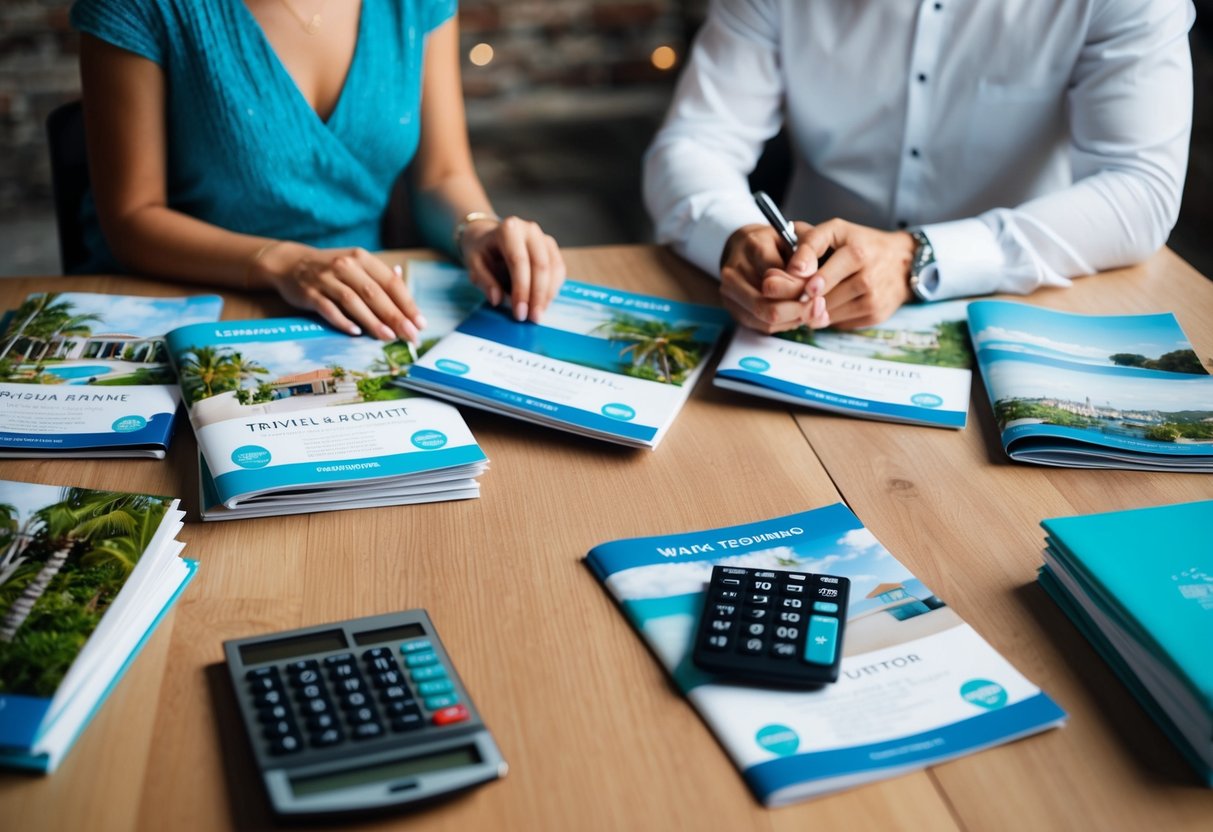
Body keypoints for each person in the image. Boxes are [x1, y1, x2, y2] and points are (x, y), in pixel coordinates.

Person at [643, 0, 1195, 333]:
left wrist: (917, 257)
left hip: (1019, 304)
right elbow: (696, 141)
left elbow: (1140, 188)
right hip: (801, 315)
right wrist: (738, 238)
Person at [71, 0, 565, 341]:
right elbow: (132, 219)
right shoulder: (139, 7)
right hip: (183, 301)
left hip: (363, 306)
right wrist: (288, 264)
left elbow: (442, 175)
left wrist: (476, 229)